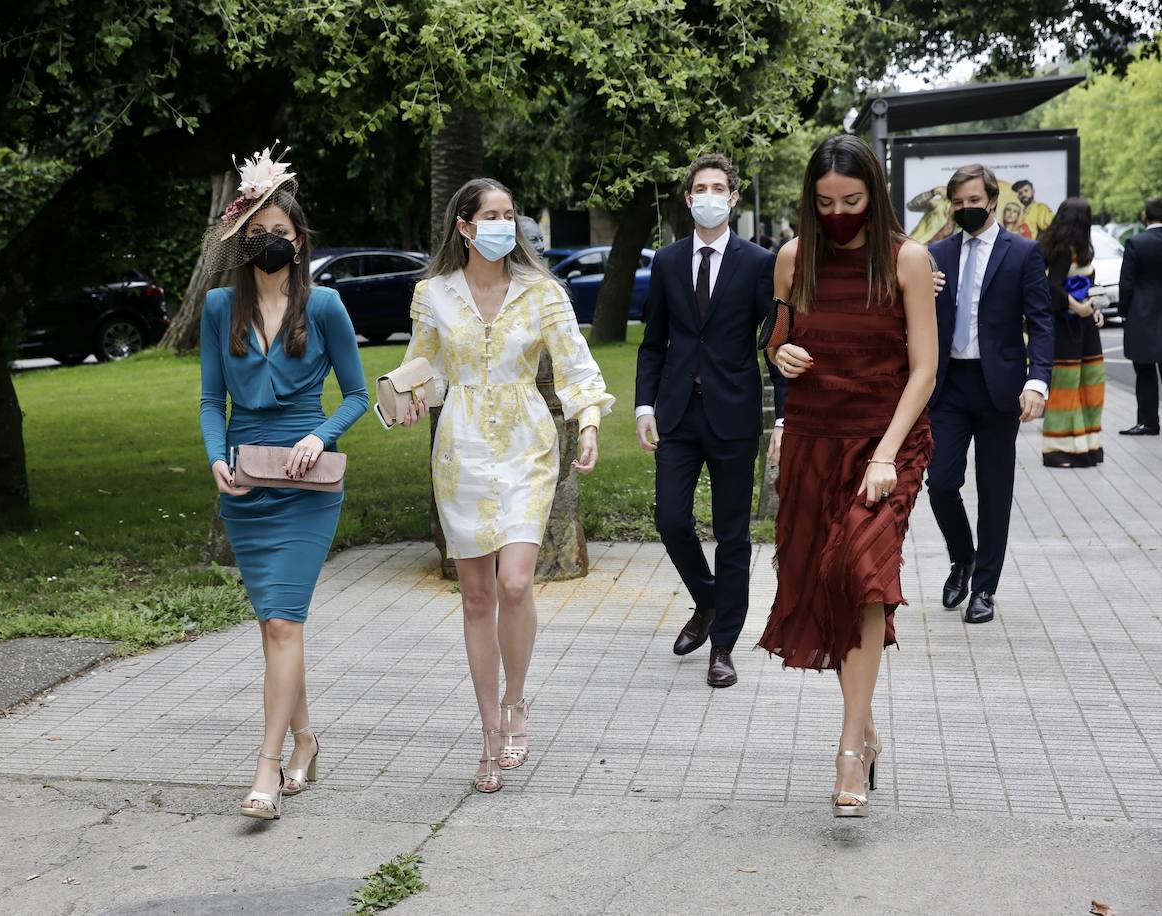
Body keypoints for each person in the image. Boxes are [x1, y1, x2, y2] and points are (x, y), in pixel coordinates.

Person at [400, 178, 613, 793]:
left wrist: (590, 420)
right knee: (474, 597)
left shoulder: (543, 292)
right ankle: (490, 729)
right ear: (464, 227)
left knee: (515, 581)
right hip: (460, 448)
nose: (504, 225)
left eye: (510, 215)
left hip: (526, 443)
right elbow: (425, 369)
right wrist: (412, 397)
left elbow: (576, 363)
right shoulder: (432, 294)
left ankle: (518, 701)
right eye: (491, 216)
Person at [757, 134, 937, 817]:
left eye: (852, 201)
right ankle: (864, 729)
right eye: (825, 202)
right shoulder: (792, 259)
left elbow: (924, 367)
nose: (838, 213)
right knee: (826, 582)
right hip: (812, 439)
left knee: (861, 572)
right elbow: (776, 341)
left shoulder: (907, 261)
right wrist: (785, 357)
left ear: (876, 195)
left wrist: (888, 454)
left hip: (888, 439)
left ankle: (846, 748)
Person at [197, 149, 369, 820]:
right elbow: (213, 400)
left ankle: (265, 768)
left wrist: (318, 434)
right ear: (246, 238)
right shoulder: (218, 308)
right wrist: (216, 454)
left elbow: (355, 395)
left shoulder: (324, 306)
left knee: (283, 622)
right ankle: (305, 740)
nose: (270, 240)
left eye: (282, 232)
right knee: (273, 629)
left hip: (304, 486)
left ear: (298, 243)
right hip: (244, 484)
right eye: (258, 230)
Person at [634, 152, 786, 688]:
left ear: (734, 197)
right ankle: (710, 600)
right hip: (677, 411)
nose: (709, 195)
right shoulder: (669, 260)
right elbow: (653, 342)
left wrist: (784, 418)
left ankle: (723, 647)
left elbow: (777, 343)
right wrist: (645, 405)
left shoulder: (758, 263)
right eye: (700, 187)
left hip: (734, 414)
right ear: (687, 197)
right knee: (671, 519)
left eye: (719, 187)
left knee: (733, 534)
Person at [926, 164, 1053, 624]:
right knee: (940, 482)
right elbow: (909, 317)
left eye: (973, 202)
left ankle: (984, 589)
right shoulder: (934, 254)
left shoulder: (1022, 252)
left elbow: (1041, 322)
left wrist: (1037, 381)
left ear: (993, 201)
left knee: (995, 491)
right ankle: (964, 557)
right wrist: (924, 292)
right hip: (949, 386)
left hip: (1000, 388)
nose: (965, 209)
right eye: (957, 203)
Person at [1039, 198, 1106, 467]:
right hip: (1065, 326)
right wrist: (1078, 307)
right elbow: (1051, 286)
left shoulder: (1076, 249)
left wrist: (1093, 310)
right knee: (1067, 386)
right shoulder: (1062, 250)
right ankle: (1057, 448)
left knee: (1089, 382)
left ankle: (1086, 445)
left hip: (1082, 325)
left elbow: (1084, 286)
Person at [1120, 197, 1162, 436]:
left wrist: (1124, 313)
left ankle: (1149, 422)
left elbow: (1126, 283)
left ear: (1145, 216)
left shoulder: (1137, 242)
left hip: (1143, 314)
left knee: (1145, 372)